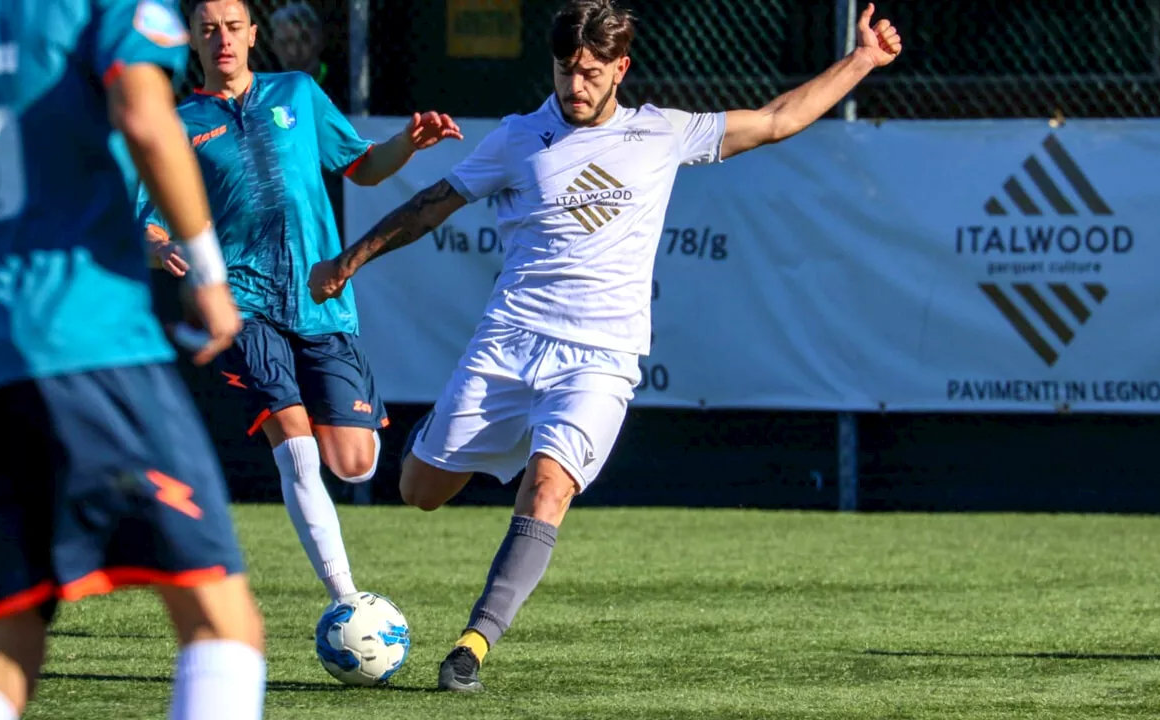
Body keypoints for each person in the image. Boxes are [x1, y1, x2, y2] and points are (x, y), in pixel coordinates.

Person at [307, 0, 903, 693]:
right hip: (509, 343)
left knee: (550, 485)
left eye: (590, 72)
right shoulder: (517, 138)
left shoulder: (661, 133)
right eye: (565, 70)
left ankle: (472, 646)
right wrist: (351, 260)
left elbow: (775, 122)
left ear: (621, 68)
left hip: (600, 359)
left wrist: (861, 58)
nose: (575, 86)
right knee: (420, 491)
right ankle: (433, 444)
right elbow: (433, 203)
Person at [0, 1, 265, 719]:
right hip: (87, 344)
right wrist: (208, 271)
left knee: (2, 661)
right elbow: (146, 116)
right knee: (221, 625)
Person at [138, 0, 462, 608]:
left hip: (319, 301)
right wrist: (162, 250)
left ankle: (334, 417)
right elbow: (144, 222)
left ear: (253, 34)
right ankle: (346, 598)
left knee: (354, 462)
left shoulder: (298, 91)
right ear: (193, 42)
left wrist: (407, 144)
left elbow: (362, 166)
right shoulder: (177, 124)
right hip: (243, 303)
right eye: (209, 30)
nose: (223, 40)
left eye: (233, 27)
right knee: (297, 452)